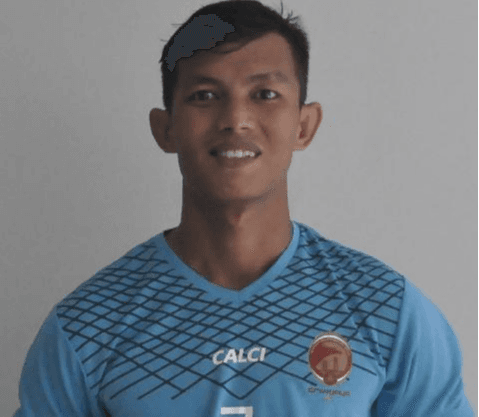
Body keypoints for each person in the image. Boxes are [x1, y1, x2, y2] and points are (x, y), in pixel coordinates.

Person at [13, 0, 474, 415]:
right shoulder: (86, 327)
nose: (235, 119)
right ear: (165, 128)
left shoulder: (386, 311)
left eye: (265, 94)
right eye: (205, 95)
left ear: (304, 124)